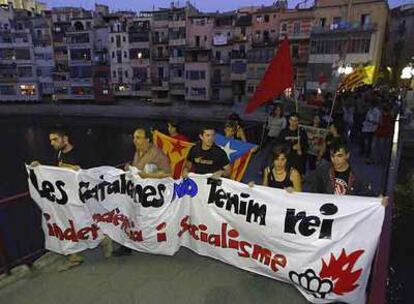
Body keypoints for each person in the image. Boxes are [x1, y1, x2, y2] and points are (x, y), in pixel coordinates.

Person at [30, 127, 112, 271]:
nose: (52, 143)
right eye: (50, 140)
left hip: (81, 198)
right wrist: (40, 167)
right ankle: (74, 255)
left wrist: (71, 168)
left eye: (55, 139)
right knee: (66, 224)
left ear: (65, 139)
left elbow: (86, 172)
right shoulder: (59, 154)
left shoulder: (81, 153)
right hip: (65, 198)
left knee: (84, 223)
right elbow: (56, 171)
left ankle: (104, 240)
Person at [113, 128, 171, 257]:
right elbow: (137, 169)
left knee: (148, 221)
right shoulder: (137, 151)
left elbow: (167, 173)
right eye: (134, 137)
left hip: (151, 196)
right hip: (136, 193)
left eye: (138, 138)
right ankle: (126, 245)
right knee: (129, 217)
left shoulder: (157, 154)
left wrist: (148, 175)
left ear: (147, 139)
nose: (135, 140)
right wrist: (130, 168)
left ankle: (154, 244)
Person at [306, 139, 377, 197]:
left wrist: (378, 201)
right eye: (332, 156)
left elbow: (367, 196)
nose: (335, 160)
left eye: (339, 156)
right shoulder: (322, 171)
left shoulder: (358, 175)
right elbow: (314, 194)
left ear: (347, 155)